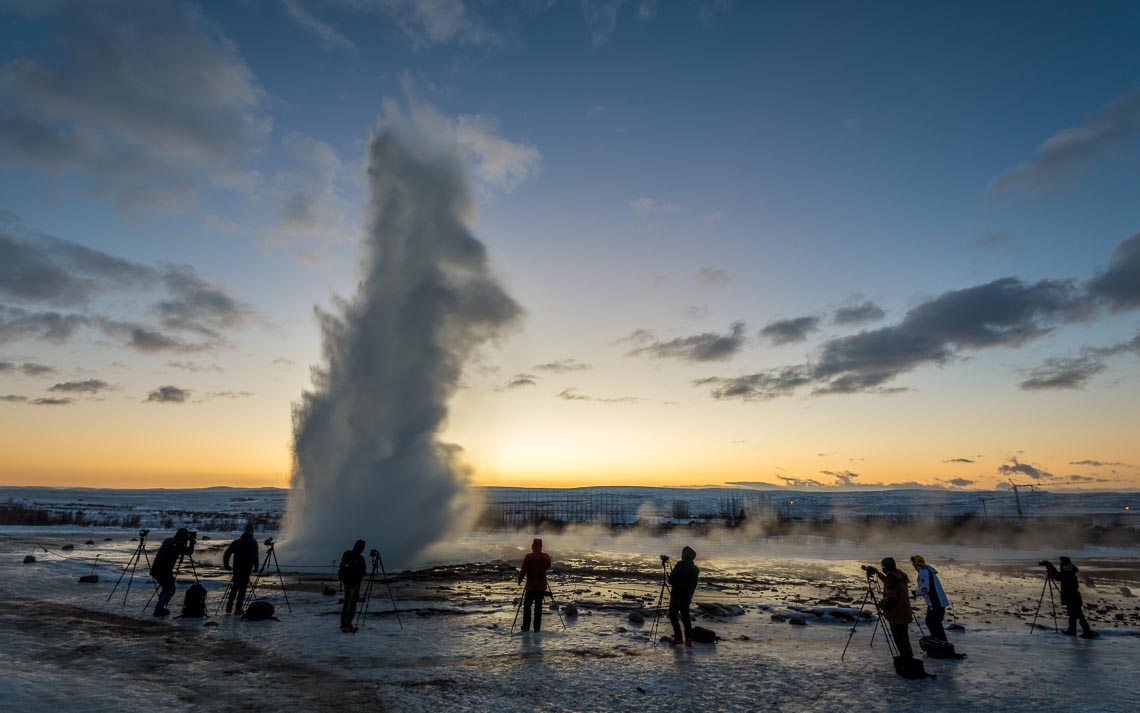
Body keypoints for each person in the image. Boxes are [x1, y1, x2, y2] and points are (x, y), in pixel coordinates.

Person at [866, 557, 914, 659]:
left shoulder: (892, 578)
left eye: (883, 566)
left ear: (887, 567)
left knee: (899, 638)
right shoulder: (899, 574)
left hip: (896, 614)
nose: (882, 568)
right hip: (904, 611)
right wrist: (878, 574)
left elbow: (891, 598)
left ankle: (906, 660)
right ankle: (908, 656)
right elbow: (889, 581)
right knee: (904, 636)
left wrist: (881, 605)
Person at [1043, 556, 1098, 638]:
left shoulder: (1068, 572)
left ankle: (1087, 632)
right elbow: (1060, 575)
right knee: (1073, 614)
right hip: (1072, 597)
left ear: (1064, 564)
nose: (1060, 564)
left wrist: (1050, 569)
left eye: (1061, 562)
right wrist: (1050, 567)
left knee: (1078, 615)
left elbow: (1059, 577)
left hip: (1072, 597)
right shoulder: (1068, 570)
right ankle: (1072, 630)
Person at [149, 528, 194, 617]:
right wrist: (192, 543)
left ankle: (160, 607)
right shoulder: (179, 545)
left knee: (167, 587)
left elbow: (177, 547)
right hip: (164, 571)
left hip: (156, 570)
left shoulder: (168, 540)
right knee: (170, 589)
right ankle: (159, 609)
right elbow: (189, 552)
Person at [910, 554, 949, 642]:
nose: (913, 565)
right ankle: (941, 641)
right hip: (939, 602)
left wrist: (916, 593)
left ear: (916, 564)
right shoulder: (928, 570)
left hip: (935, 602)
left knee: (931, 622)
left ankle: (938, 641)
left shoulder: (923, 572)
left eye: (913, 563)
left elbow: (925, 589)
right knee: (936, 623)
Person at [222, 525, 260, 615]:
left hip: (237, 568)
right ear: (252, 533)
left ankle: (229, 606)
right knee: (242, 588)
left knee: (235, 586)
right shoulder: (253, 543)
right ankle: (238, 608)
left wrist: (226, 565)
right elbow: (255, 556)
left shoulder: (236, 542)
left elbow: (227, 554)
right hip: (247, 569)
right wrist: (256, 567)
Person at [667, 546, 700, 646]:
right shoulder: (695, 569)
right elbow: (694, 584)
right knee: (686, 618)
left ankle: (678, 638)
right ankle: (689, 639)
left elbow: (671, 580)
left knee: (673, 616)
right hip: (687, 597)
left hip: (676, 596)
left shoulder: (680, 565)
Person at [517, 538, 552, 632]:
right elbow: (548, 567)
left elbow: (523, 570)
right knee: (538, 607)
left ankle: (526, 627)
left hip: (530, 586)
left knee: (527, 606)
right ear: (541, 547)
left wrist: (520, 580)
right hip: (541, 586)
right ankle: (537, 628)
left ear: (532, 546)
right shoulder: (545, 556)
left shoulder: (529, 557)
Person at [338, 539, 367, 633]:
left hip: (347, 582)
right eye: (362, 547)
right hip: (353, 583)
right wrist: (357, 576)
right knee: (352, 602)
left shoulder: (347, 553)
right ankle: (348, 623)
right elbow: (363, 572)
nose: (362, 549)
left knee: (347, 602)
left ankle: (344, 622)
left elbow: (343, 565)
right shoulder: (359, 558)